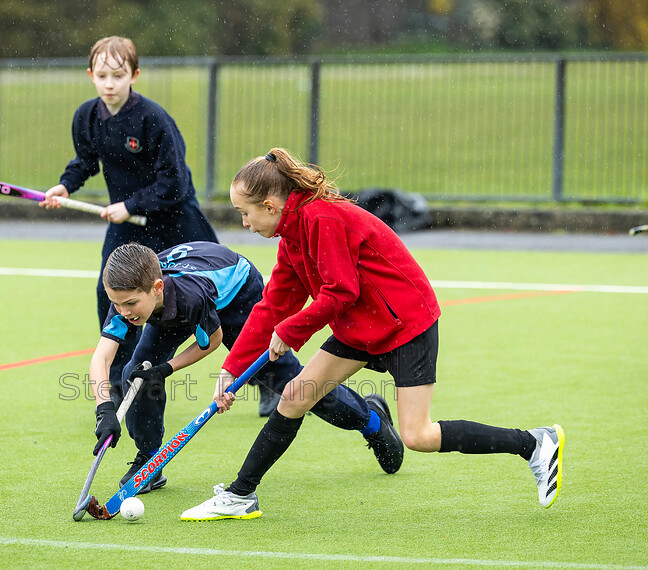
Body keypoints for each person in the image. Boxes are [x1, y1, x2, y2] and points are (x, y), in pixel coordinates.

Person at [180, 148, 565, 521]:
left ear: (270, 205)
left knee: (419, 435)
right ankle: (240, 495)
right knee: (296, 396)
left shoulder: (322, 219)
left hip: (405, 323)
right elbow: (272, 306)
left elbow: (340, 291)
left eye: (244, 214)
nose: (244, 224)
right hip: (359, 325)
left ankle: (534, 443)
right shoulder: (292, 236)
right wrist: (232, 369)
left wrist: (291, 331)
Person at [89, 241, 405, 496]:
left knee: (293, 387)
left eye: (130, 304)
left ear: (156, 288)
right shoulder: (128, 295)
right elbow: (101, 357)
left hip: (238, 297)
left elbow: (211, 341)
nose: (123, 311)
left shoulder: (187, 297)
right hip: (171, 307)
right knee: (137, 374)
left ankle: (372, 420)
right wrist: (105, 409)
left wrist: (166, 369)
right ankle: (149, 461)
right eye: (118, 304)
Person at [40, 36, 219, 405]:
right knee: (111, 298)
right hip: (127, 224)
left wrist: (132, 202)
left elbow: (175, 181)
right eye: (102, 75)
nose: (109, 84)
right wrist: (65, 186)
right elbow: (85, 162)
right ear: (91, 75)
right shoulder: (87, 116)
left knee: (223, 299)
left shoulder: (153, 119)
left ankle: (271, 379)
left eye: (118, 76)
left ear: (134, 75)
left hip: (176, 219)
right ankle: (125, 385)